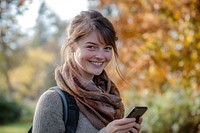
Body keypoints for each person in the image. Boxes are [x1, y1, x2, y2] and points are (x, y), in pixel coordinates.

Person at [32, 10, 143, 133]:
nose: (100, 56)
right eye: (91, 47)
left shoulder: (109, 97)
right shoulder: (52, 101)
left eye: (107, 48)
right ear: (72, 44)